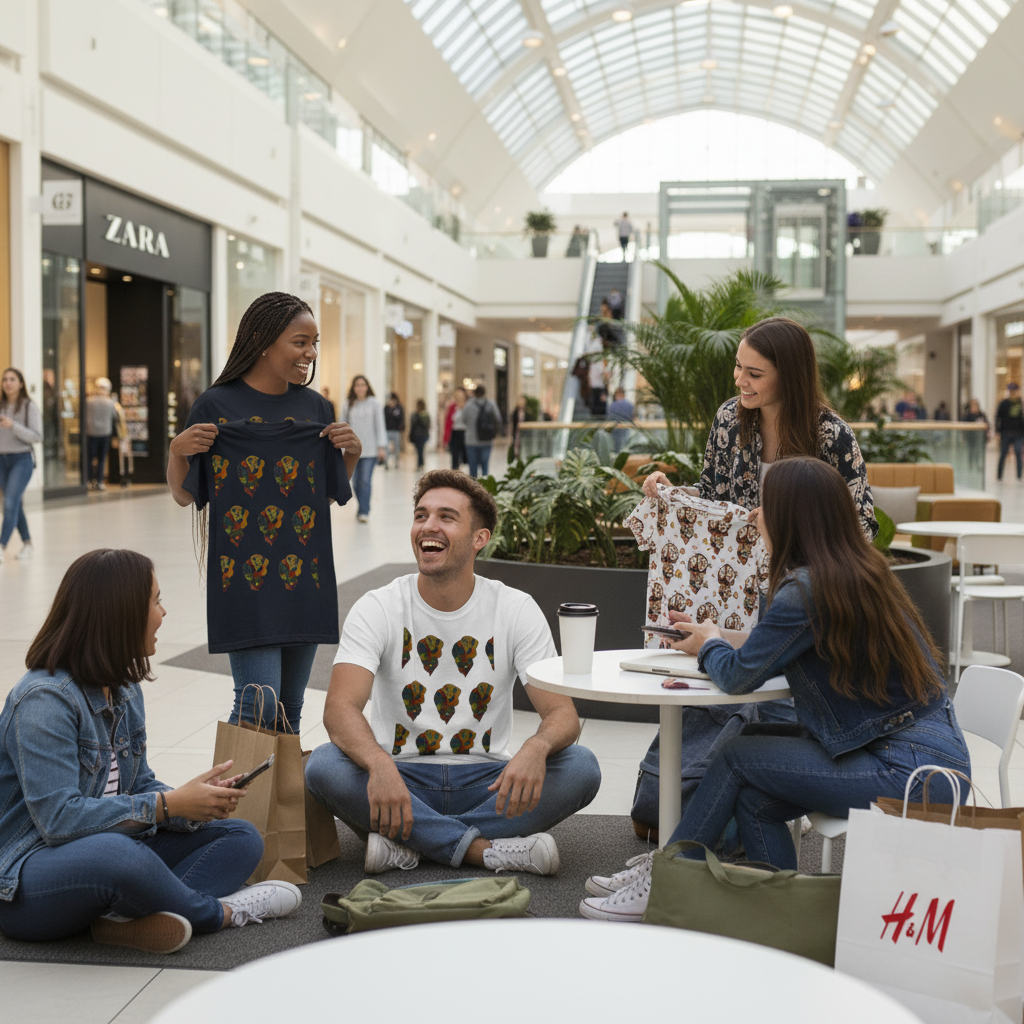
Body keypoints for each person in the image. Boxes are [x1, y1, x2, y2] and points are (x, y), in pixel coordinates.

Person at [581, 459, 969, 921]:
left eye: (764, 503)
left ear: (792, 515)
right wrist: (711, 638)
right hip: (924, 756)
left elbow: (737, 677)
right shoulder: (853, 572)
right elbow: (774, 647)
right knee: (754, 794)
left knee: (735, 757)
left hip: (907, 772)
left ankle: (666, 881)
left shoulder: (806, 589)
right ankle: (783, 916)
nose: (754, 514)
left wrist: (711, 650)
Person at [636, 316, 875, 842]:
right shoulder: (729, 419)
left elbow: (860, 524)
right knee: (709, 691)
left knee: (751, 690)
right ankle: (673, 800)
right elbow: (711, 493)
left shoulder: (830, 434)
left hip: (800, 591)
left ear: (788, 375)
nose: (741, 382)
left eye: (754, 373)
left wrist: (796, 547)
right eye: (738, 368)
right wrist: (671, 493)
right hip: (729, 582)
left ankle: (719, 814)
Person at [0, 549, 303, 953]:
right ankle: (220, 913)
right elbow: (58, 821)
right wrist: (167, 806)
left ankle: (130, 919)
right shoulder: (44, 700)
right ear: (120, 614)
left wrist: (194, 805)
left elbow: (138, 783)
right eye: (155, 601)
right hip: (26, 878)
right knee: (118, 856)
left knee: (241, 836)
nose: (163, 613)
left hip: (114, 848)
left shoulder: (123, 688)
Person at [305, 470, 601, 875]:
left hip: (488, 781)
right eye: (421, 515)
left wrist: (535, 748)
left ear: (480, 538)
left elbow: (563, 715)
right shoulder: (379, 606)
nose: (428, 526)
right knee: (323, 766)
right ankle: (484, 851)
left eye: (446, 517)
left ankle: (413, 845)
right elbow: (339, 707)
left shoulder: (514, 608)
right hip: (401, 778)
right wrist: (377, 764)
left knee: (581, 767)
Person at [167, 291, 359, 731]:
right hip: (245, 581)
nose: (310, 353)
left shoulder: (316, 409)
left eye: (315, 343)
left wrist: (350, 454)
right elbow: (184, 495)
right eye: (300, 342)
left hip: (306, 578)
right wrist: (177, 451)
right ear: (263, 341)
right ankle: (238, 802)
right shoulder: (215, 405)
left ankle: (280, 802)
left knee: (290, 710)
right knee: (258, 710)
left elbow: (323, 496)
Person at [0, 367, 40, 563]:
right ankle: (27, 544)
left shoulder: (28, 406)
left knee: (9, 502)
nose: (8, 383)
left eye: (12, 379)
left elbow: (37, 436)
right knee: (14, 504)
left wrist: (13, 426)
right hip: (1, 460)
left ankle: (1, 545)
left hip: (21, 460)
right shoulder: (0, 405)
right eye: (5, 379)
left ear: (21, 384)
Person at [342, 375, 387, 522]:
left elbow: (380, 426)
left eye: (363, 385)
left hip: (370, 450)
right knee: (355, 482)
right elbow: (342, 426)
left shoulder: (374, 403)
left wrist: (382, 446)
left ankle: (364, 511)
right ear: (353, 388)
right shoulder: (348, 404)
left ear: (367, 387)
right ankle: (362, 506)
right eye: (357, 385)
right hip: (351, 451)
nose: (360, 388)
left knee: (365, 481)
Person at [463, 385, 503, 479]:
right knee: (485, 466)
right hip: (486, 439)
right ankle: (484, 487)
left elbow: (464, 419)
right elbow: (498, 418)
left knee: (473, 467)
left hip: (471, 440)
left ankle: (473, 488)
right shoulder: (491, 404)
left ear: (475, 393)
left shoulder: (468, 405)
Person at [86, 377, 118, 491]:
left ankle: (89, 480)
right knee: (102, 458)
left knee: (89, 457)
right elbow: (114, 417)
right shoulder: (110, 403)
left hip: (91, 432)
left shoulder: (89, 401)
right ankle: (99, 481)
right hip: (105, 432)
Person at [995, 381, 1024, 482]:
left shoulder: (1020, 403)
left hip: (1018, 433)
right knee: (1003, 454)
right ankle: (999, 475)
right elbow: (998, 417)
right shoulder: (1003, 403)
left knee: (1018, 452)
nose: (1013, 393)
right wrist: (997, 431)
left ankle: (1019, 476)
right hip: (1006, 433)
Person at [962, 397, 990, 473]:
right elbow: (964, 426)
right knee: (971, 452)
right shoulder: (968, 416)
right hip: (971, 438)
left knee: (979, 452)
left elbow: (987, 425)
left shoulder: (982, 415)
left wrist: (987, 435)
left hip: (980, 438)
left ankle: (978, 465)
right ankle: (970, 466)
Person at [443, 387, 468, 471]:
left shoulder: (468, 406)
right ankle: (455, 476)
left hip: (466, 433)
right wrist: (445, 439)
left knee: (466, 457)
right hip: (454, 433)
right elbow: (448, 422)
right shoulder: (452, 406)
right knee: (455, 456)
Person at [606, 386, 634, 452]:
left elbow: (609, 417)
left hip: (615, 429)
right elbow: (632, 416)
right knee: (625, 446)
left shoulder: (612, 405)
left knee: (615, 447)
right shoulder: (629, 405)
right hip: (626, 428)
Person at [384, 392, 405, 469]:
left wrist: (401, 428)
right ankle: (387, 462)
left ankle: (397, 462)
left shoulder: (399, 408)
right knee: (387, 447)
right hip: (387, 430)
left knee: (397, 448)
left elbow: (401, 419)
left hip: (396, 430)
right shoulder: (386, 408)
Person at [408, 398, 430, 471]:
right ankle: (420, 464)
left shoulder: (423, 415)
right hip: (418, 435)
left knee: (420, 451)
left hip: (420, 435)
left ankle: (420, 464)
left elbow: (427, 425)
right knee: (420, 451)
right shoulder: (416, 415)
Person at [510, 394, 530, 460]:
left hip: (524, 431)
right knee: (516, 443)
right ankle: (517, 456)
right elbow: (513, 421)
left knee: (523, 443)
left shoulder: (526, 412)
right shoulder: (515, 412)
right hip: (517, 430)